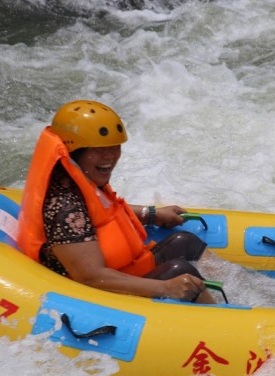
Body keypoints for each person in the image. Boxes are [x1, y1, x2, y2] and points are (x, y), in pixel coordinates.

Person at [18, 99, 216, 304]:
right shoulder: (64, 207)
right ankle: (226, 325)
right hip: (97, 295)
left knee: (185, 243)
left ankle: (244, 294)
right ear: (75, 151)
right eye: (100, 149)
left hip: (122, 271)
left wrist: (151, 214)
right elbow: (91, 277)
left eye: (115, 147)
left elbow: (103, 211)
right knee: (180, 272)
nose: (110, 157)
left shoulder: (81, 178)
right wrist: (166, 287)